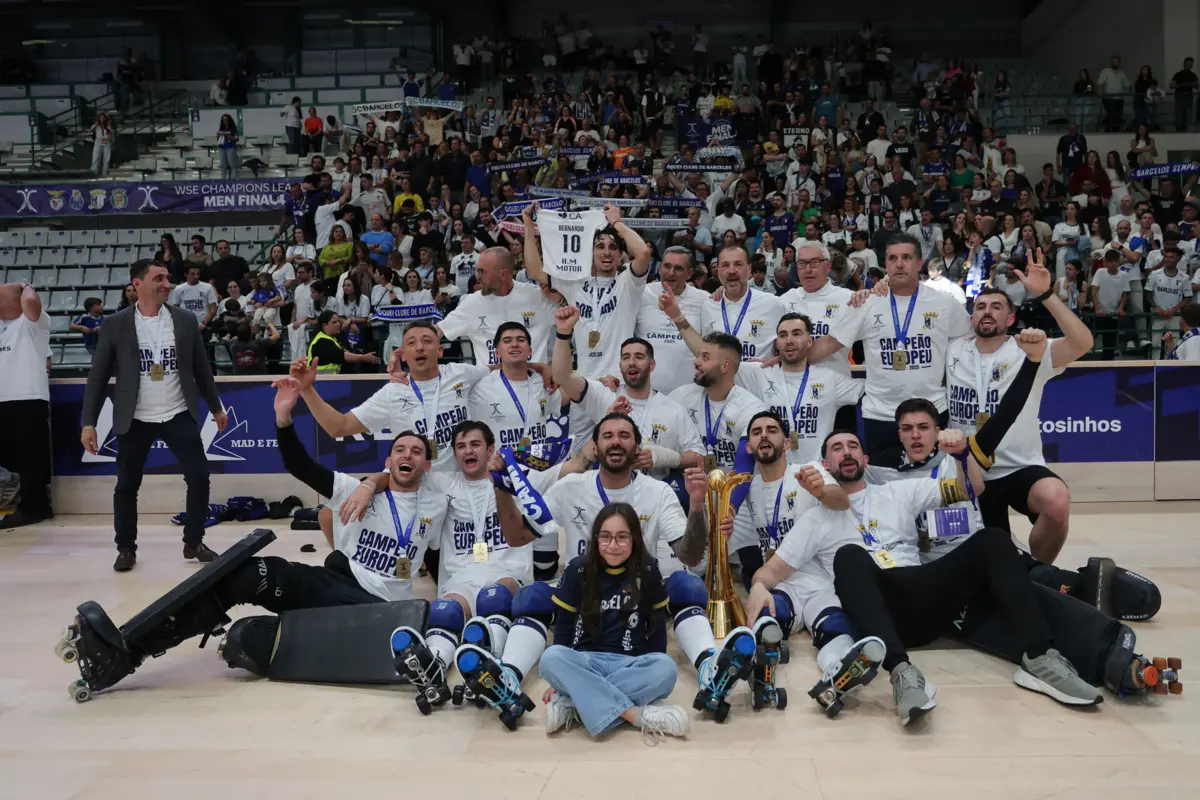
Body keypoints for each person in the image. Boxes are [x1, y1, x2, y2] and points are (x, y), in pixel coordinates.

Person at [80, 261, 227, 571]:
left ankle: (194, 541)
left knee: (199, 476)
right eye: (158, 278)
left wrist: (216, 407)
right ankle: (126, 548)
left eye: (167, 278)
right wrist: (89, 422)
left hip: (177, 412)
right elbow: (97, 377)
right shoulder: (116, 324)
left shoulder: (185, 321)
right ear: (137, 283)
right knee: (127, 485)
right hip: (134, 418)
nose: (166, 283)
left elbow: (202, 370)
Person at [807, 233, 971, 455]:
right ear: (886, 264)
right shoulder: (867, 303)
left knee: (932, 485)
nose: (899, 264)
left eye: (906, 257)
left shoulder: (945, 303)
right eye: (893, 258)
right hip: (880, 414)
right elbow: (829, 343)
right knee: (880, 484)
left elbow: (973, 340)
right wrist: (784, 359)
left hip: (931, 414)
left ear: (919, 262)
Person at [539, 502, 690, 740]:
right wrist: (561, 678)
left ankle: (574, 701)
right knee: (550, 658)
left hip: (630, 663)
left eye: (622, 537)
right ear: (596, 538)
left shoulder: (648, 568)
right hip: (585, 660)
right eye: (606, 537)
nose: (613, 546)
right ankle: (637, 716)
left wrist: (570, 684)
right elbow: (565, 625)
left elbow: (657, 627)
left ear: (634, 540)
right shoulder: (578, 568)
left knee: (666, 668)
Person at [296, 322, 492, 470]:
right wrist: (306, 390)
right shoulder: (393, 392)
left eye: (427, 341)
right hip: (416, 487)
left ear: (440, 350)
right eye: (412, 343)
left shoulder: (461, 373)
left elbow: (502, 369)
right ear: (403, 355)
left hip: (459, 483)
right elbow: (340, 427)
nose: (420, 347)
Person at [552, 305, 703, 480]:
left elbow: (699, 457)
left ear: (652, 365)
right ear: (620, 365)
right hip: (608, 495)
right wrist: (563, 333)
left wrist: (663, 457)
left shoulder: (673, 408)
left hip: (653, 497)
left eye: (639, 357)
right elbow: (562, 377)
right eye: (626, 357)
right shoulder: (604, 393)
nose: (631, 362)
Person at [521, 204, 651, 379]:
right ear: (590, 252)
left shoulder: (628, 283)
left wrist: (617, 222)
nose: (606, 252)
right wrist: (529, 229)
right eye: (600, 246)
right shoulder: (574, 282)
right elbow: (535, 270)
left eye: (613, 247)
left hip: (619, 382)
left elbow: (643, 253)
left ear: (620, 255)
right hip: (584, 383)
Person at [733, 313, 863, 467]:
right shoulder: (758, 373)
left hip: (817, 475)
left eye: (796, 334)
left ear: (809, 341)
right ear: (777, 343)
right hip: (772, 476)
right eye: (783, 335)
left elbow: (876, 388)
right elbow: (716, 363)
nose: (789, 340)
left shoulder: (830, 379)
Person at [436, 246, 560, 366]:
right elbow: (438, 331)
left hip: (534, 383)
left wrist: (560, 298)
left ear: (503, 274)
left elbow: (574, 317)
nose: (477, 276)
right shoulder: (472, 303)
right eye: (477, 270)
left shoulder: (537, 297)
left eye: (482, 271)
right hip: (489, 384)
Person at [0, 283, 52, 529]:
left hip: (27, 397)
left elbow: (31, 303)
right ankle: (30, 503)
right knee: (13, 460)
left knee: (29, 460)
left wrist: (26, 286)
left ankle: (35, 508)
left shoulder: (33, 323)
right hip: (3, 399)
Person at [634, 247, 706, 394]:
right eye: (667, 266)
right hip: (646, 393)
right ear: (660, 268)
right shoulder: (641, 294)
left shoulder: (704, 300)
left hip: (689, 394)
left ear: (689, 273)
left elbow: (709, 349)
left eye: (678, 268)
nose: (671, 273)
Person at [306, 310, 381, 375]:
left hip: (329, 381)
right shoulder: (322, 341)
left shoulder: (332, 338)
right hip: (320, 382)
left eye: (339, 321)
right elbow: (342, 356)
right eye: (334, 322)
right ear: (325, 325)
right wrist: (364, 357)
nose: (339, 324)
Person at [216, 113, 239, 179]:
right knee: (223, 165)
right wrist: (218, 135)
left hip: (230, 148)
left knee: (232, 165)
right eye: (223, 119)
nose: (224, 121)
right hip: (222, 148)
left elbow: (236, 138)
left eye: (226, 119)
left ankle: (234, 180)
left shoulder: (233, 129)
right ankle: (223, 181)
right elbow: (218, 139)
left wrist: (229, 136)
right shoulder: (221, 128)